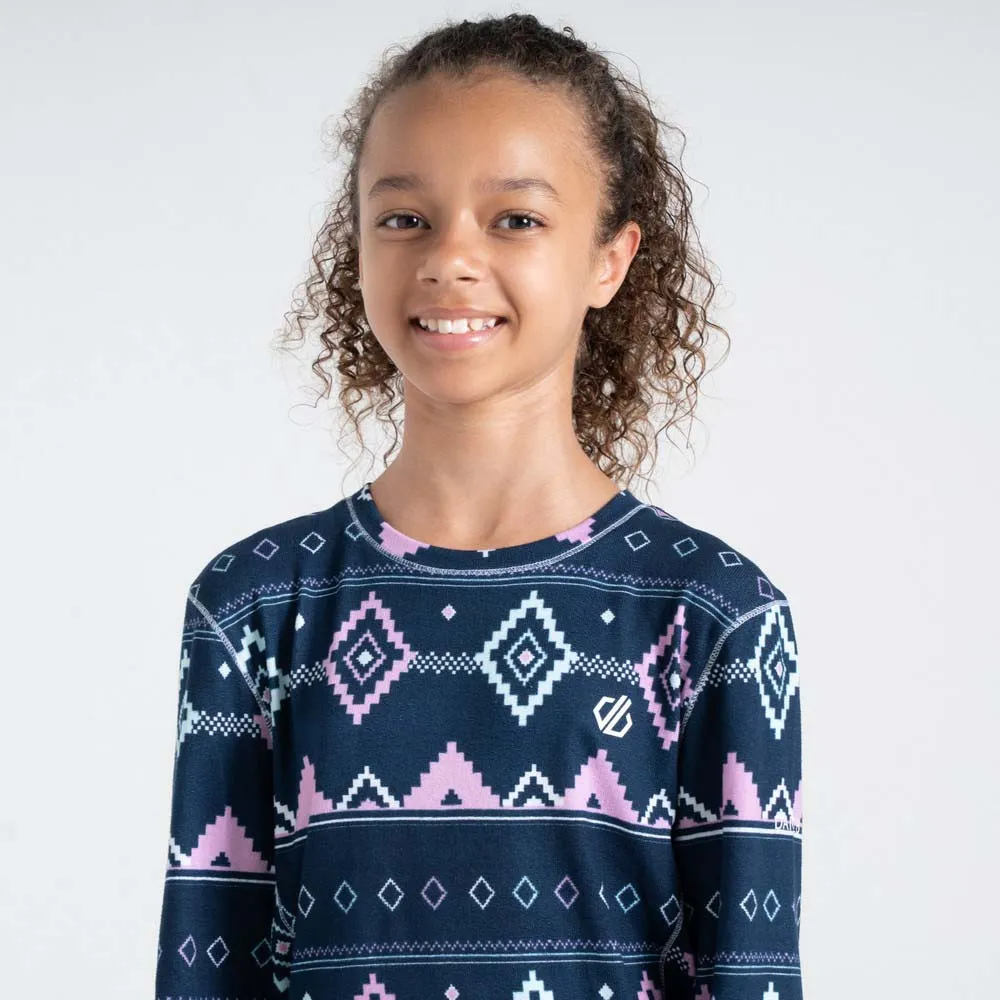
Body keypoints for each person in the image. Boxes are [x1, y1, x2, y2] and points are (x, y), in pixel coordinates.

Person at [154, 13, 804, 1000]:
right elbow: (205, 965)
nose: (450, 258)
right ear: (356, 247)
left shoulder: (715, 615)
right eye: (404, 218)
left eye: (516, 220)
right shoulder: (252, 604)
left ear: (609, 258)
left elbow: (750, 974)